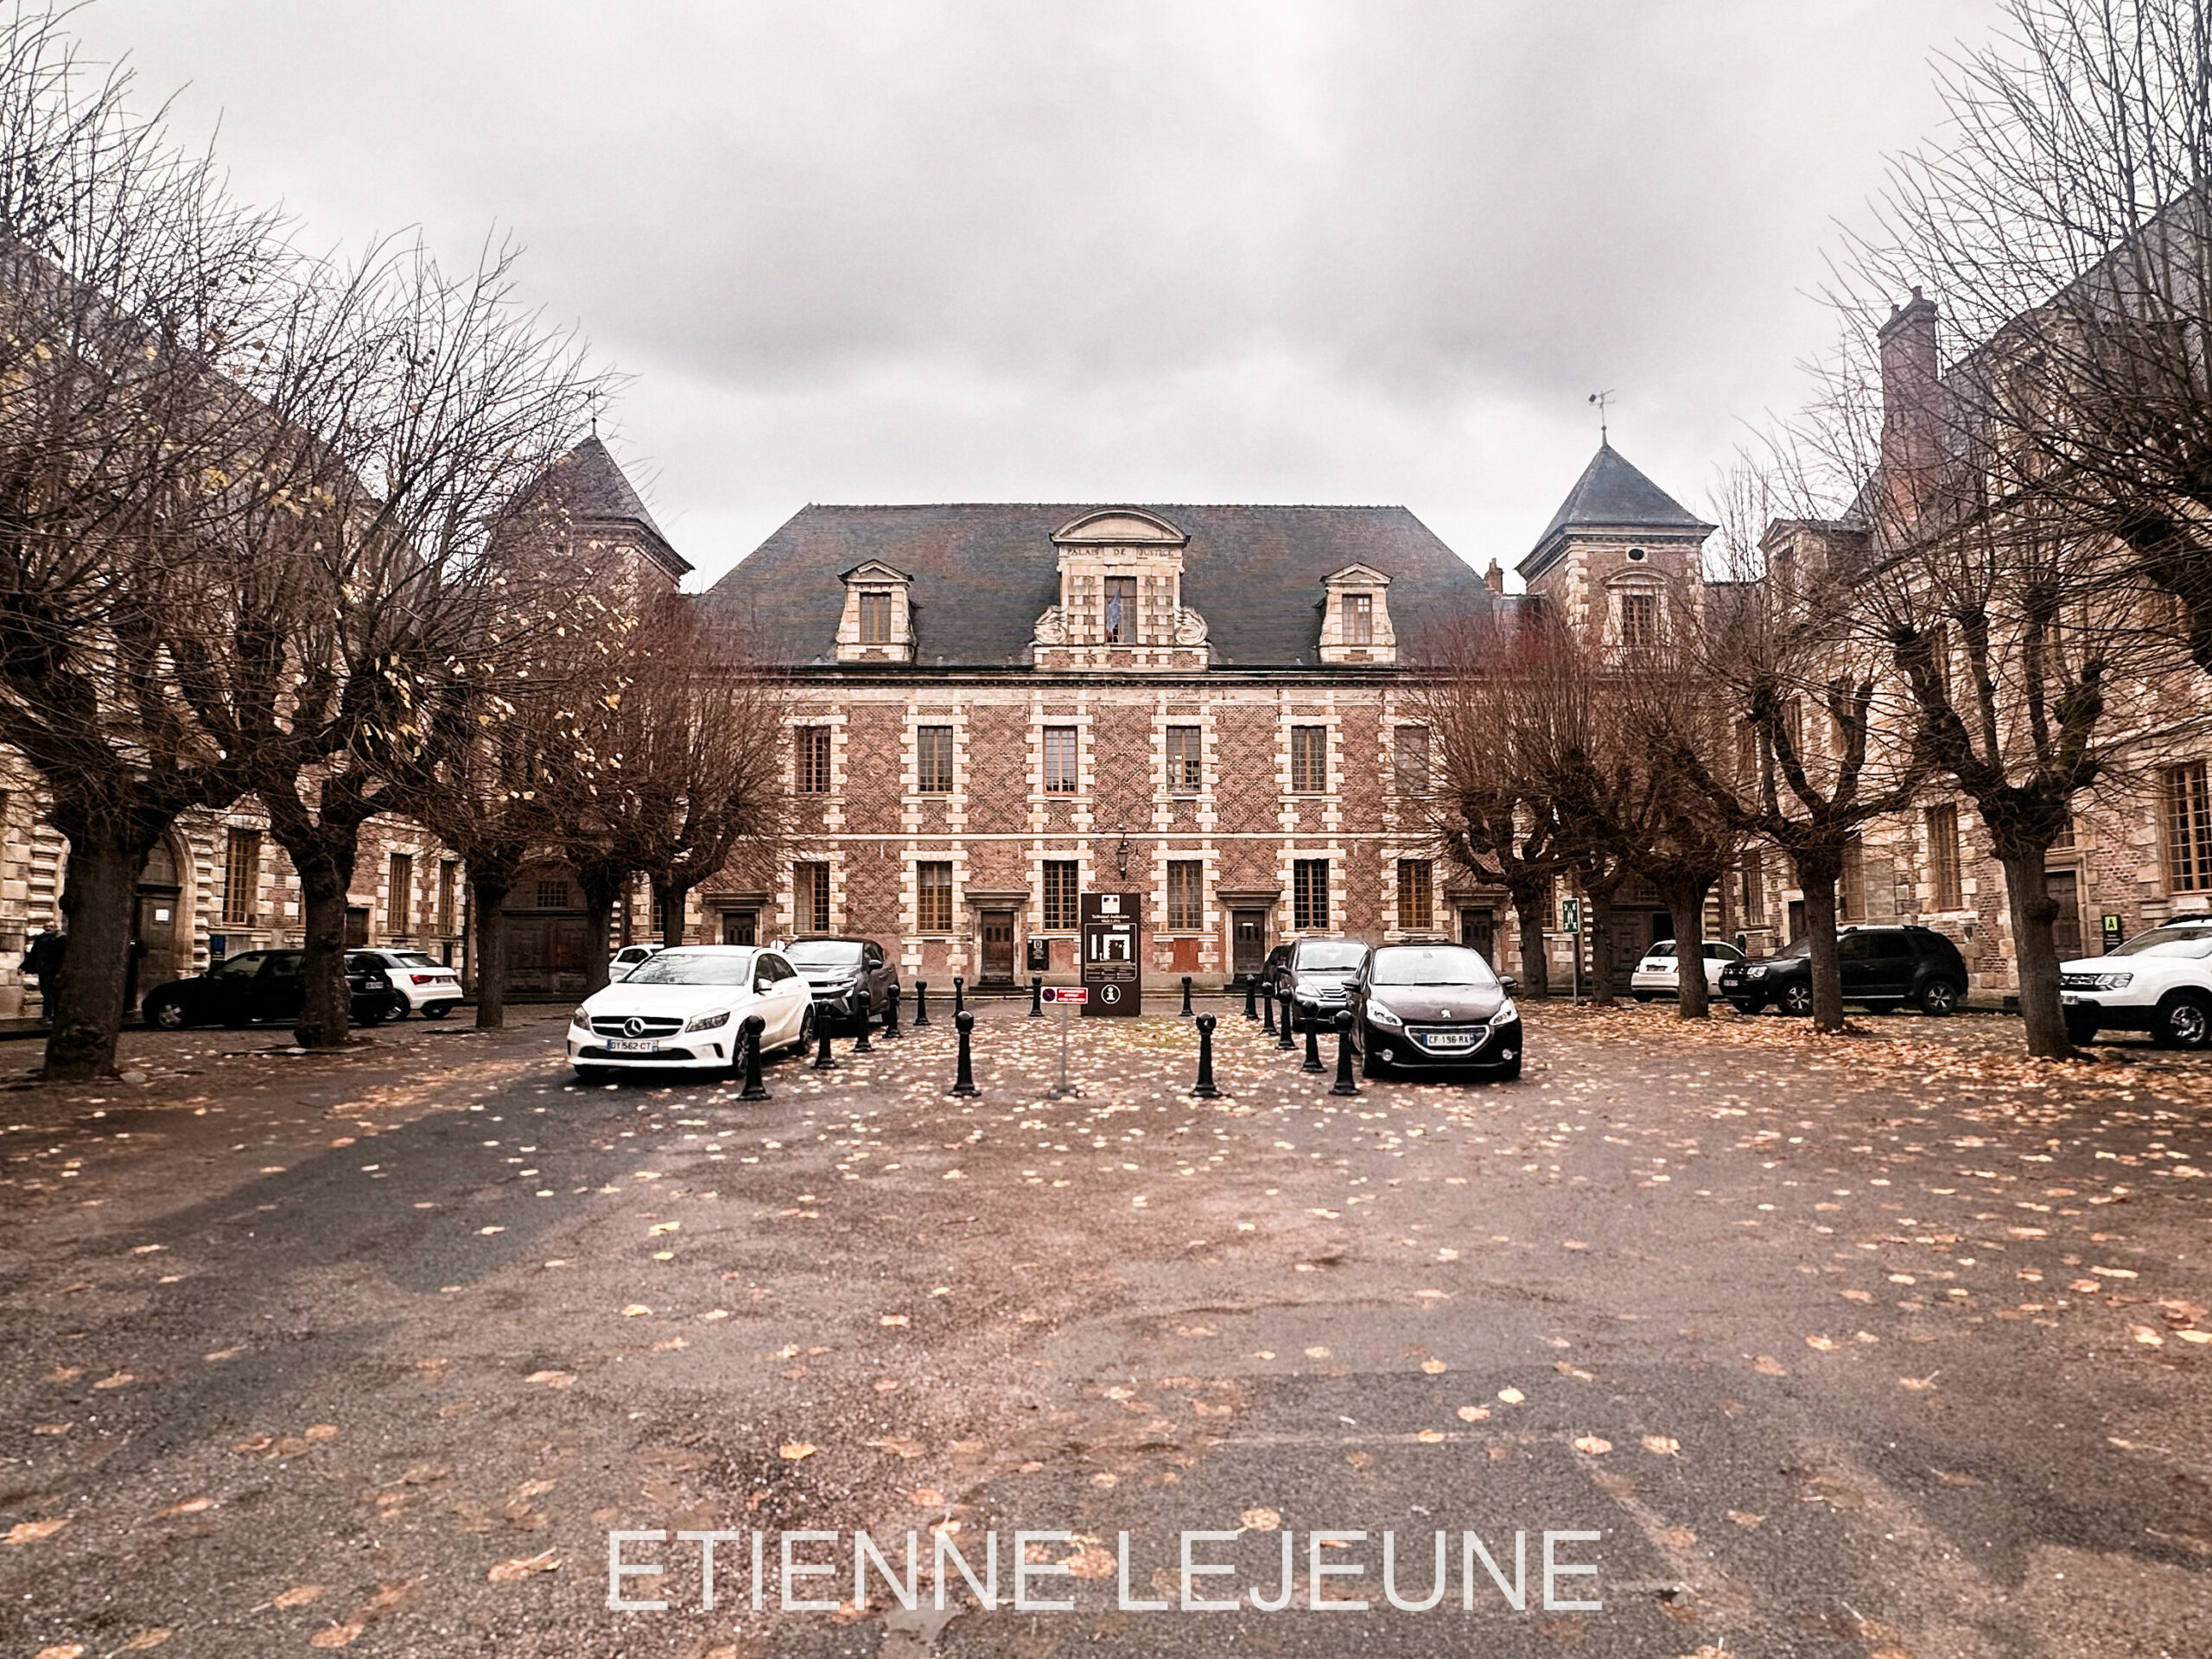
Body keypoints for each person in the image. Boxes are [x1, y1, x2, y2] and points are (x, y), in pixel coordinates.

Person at [22, 927, 62, 1024]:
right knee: (45, 992)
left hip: (53, 971)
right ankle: (49, 1015)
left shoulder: (61, 939)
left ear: (56, 928)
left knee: (50, 993)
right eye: (46, 927)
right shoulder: (41, 939)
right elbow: (34, 953)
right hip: (43, 970)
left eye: (51, 927)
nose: (48, 929)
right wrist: (24, 966)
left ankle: (50, 1015)